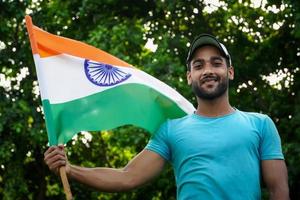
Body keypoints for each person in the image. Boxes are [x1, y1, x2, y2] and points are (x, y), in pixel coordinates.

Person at [44, 34, 290, 199]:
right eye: (198, 65)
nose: (208, 70)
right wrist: (70, 169)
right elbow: (126, 177)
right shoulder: (171, 130)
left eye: (216, 63)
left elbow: (279, 190)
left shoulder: (260, 124)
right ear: (189, 77)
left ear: (230, 72)